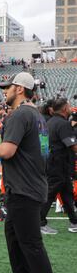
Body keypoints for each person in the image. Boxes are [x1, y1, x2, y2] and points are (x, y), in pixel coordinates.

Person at [0, 72, 62, 273]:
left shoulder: (20, 114)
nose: (4, 92)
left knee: (31, 243)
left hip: (25, 188)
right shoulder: (37, 115)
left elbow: (7, 151)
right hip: (31, 184)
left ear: (19, 89)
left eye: (8, 88)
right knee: (13, 233)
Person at [40, 98, 77, 234]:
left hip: (52, 162)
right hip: (59, 164)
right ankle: (40, 222)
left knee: (67, 194)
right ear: (64, 109)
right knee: (50, 193)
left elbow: (43, 146)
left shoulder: (49, 122)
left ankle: (74, 222)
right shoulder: (63, 124)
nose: (70, 108)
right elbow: (73, 146)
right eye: (68, 106)